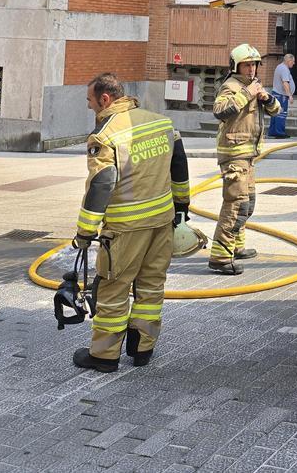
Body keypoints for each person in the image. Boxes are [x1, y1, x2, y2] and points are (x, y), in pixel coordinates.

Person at [72, 73, 191, 373]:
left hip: (125, 228)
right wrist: (181, 206)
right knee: (151, 286)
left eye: (90, 101)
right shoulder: (162, 123)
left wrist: (85, 231)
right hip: (162, 221)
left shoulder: (105, 135)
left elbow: (102, 183)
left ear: (105, 99)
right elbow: (179, 165)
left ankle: (104, 355)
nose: (89, 107)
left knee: (113, 289)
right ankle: (142, 348)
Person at [210, 44, 281, 275]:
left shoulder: (254, 85)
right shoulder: (231, 86)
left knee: (247, 203)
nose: (251, 69)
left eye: (254, 65)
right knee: (236, 204)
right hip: (234, 155)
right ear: (236, 66)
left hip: (248, 156)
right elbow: (219, 110)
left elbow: (276, 110)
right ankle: (220, 256)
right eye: (246, 65)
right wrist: (248, 94)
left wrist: (266, 98)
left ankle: (237, 247)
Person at [267, 53, 296, 138]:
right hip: (281, 95)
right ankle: (280, 133)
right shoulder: (284, 69)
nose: (294, 63)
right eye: (293, 61)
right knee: (281, 114)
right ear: (289, 61)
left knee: (275, 114)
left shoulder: (279, 67)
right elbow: (285, 83)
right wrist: (289, 95)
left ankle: (272, 132)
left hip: (276, 94)